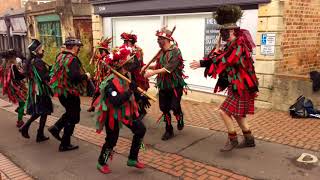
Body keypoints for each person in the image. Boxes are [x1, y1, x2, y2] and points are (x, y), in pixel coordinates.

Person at [190, 5, 259, 152]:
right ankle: (249, 139)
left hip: (242, 86)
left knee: (223, 111)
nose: (222, 34)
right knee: (238, 114)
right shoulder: (230, 45)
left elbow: (225, 61)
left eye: (224, 32)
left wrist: (204, 62)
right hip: (237, 86)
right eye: (222, 32)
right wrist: (213, 54)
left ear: (232, 30)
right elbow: (220, 58)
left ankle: (233, 139)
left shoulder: (239, 45)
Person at [96, 46, 146, 174]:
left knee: (140, 129)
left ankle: (132, 158)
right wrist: (130, 91)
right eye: (127, 61)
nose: (130, 62)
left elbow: (137, 64)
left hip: (126, 111)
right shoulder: (110, 83)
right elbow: (116, 101)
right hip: (112, 114)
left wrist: (140, 97)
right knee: (112, 140)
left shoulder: (127, 74)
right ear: (121, 65)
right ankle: (102, 162)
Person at [143, 27, 187, 141]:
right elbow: (159, 66)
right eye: (157, 39)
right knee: (164, 108)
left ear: (166, 39)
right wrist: (147, 66)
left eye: (160, 39)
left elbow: (168, 68)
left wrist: (152, 72)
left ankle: (180, 117)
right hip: (163, 85)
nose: (158, 41)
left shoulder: (175, 51)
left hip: (175, 85)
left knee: (174, 107)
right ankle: (169, 129)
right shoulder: (161, 52)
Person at [48, 37, 89, 152]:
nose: (79, 49)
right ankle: (64, 143)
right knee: (74, 116)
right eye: (78, 47)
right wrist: (86, 76)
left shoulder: (60, 56)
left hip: (62, 92)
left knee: (71, 114)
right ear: (74, 47)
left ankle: (57, 129)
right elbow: (74, 77)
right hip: (70, 93)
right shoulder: (72, 59)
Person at [19, 39, 53, 142]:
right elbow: (43, 77)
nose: (43, 51)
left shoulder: (33, 61)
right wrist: (51, 72)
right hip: (40, 90)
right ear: (36, 51)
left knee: (42, 112)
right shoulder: (38, 61)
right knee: (43, 111)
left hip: (37, 90)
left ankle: (38, 133)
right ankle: (27, 128)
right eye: (41, 49)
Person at [121, 32, 150, 120]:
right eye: (124, 41)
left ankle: (142, 112)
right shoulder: (126, 49)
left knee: (137, 93)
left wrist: (126, 68)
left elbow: (137, 64)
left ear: (131, 42)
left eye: (126, 41)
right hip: (129, 75)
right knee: (129, 94)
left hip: (137, 75)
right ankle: (132, 112)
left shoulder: (137, 50)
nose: (124, 43)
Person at [0, 49, 27, 128]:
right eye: (15, 56)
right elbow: (18, 77)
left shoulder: (4, 65)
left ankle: (19, 110)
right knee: (22, 103)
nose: (16, 57)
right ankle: (20, 121)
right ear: (13, 57)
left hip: (11, 88)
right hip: (17, 87)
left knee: (21, 102)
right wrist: (25, 74)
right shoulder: (13, 66)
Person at [87, 37, 112, 112]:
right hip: (100, 80)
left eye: (101, 51)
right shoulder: (100, 59)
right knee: (96, 92)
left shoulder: (108, 59)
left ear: (105, 51)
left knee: (104, 94)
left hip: (106, 80)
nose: (100, 52)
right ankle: (93, 106)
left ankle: (106, 109)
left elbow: (109, 70)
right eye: (100, 51)